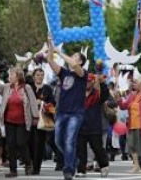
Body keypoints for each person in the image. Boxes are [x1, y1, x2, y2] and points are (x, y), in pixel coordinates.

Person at [47, 34, 88, 180]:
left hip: (76, 113)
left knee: (69, 140)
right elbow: (50, 61)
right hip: (62, 111)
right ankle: (73, 159)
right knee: (58, 141)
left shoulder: (82, 74)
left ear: (81, 61)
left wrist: (59, 52)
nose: (72, 56)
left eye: (75, 55)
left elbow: (74, 65)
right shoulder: (64, 73)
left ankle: (69, 169)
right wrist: (51, 46)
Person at [0, 67, 39, 178]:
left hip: (23, 121)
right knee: (11, 145)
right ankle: (13, 170)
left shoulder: (27, 88)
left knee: (21, 143)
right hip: (9, 121)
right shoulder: (7, 87)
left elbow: (33, 102)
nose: (9, 77)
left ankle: (28, 164)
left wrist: (35, 117)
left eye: (12, 75)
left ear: (18, 76)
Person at [76, 73, 110, 177]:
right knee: (80, 150)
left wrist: (103, 83)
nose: (87, 83)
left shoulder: (97, 94)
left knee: (98, 149)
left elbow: (105, 95)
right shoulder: (78, 94)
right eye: (85, 81)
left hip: (94, 127)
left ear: (93, 82)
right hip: (80, 127)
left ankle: (104, 166)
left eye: (89, 81)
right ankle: (81, 170)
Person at [28, 68, 60, 175]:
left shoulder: (47, 88)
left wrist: (43, 103)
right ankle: (30, 163)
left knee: (39, 144)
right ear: (33, 77)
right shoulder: (29, 88)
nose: (40, 77)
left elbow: (53, 103)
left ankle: (36, 167)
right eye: (37, 75)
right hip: (29, 120)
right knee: (29, 143)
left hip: (42, 120)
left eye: (42, 75)